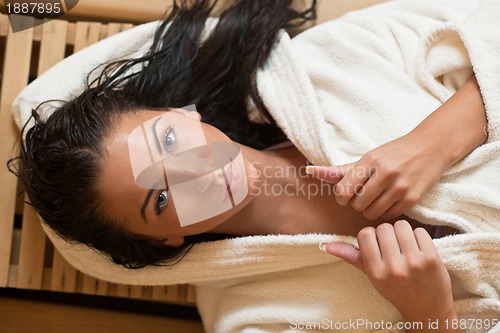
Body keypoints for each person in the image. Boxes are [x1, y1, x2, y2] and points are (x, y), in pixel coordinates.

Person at [9, 0, 493, 331]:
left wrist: (435, 141)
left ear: (180, 112)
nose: (192, 170)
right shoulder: (254, 317)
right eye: (159, 198)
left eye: (169, 139)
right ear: (163, 239)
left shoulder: (333, 65)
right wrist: (429, 318)